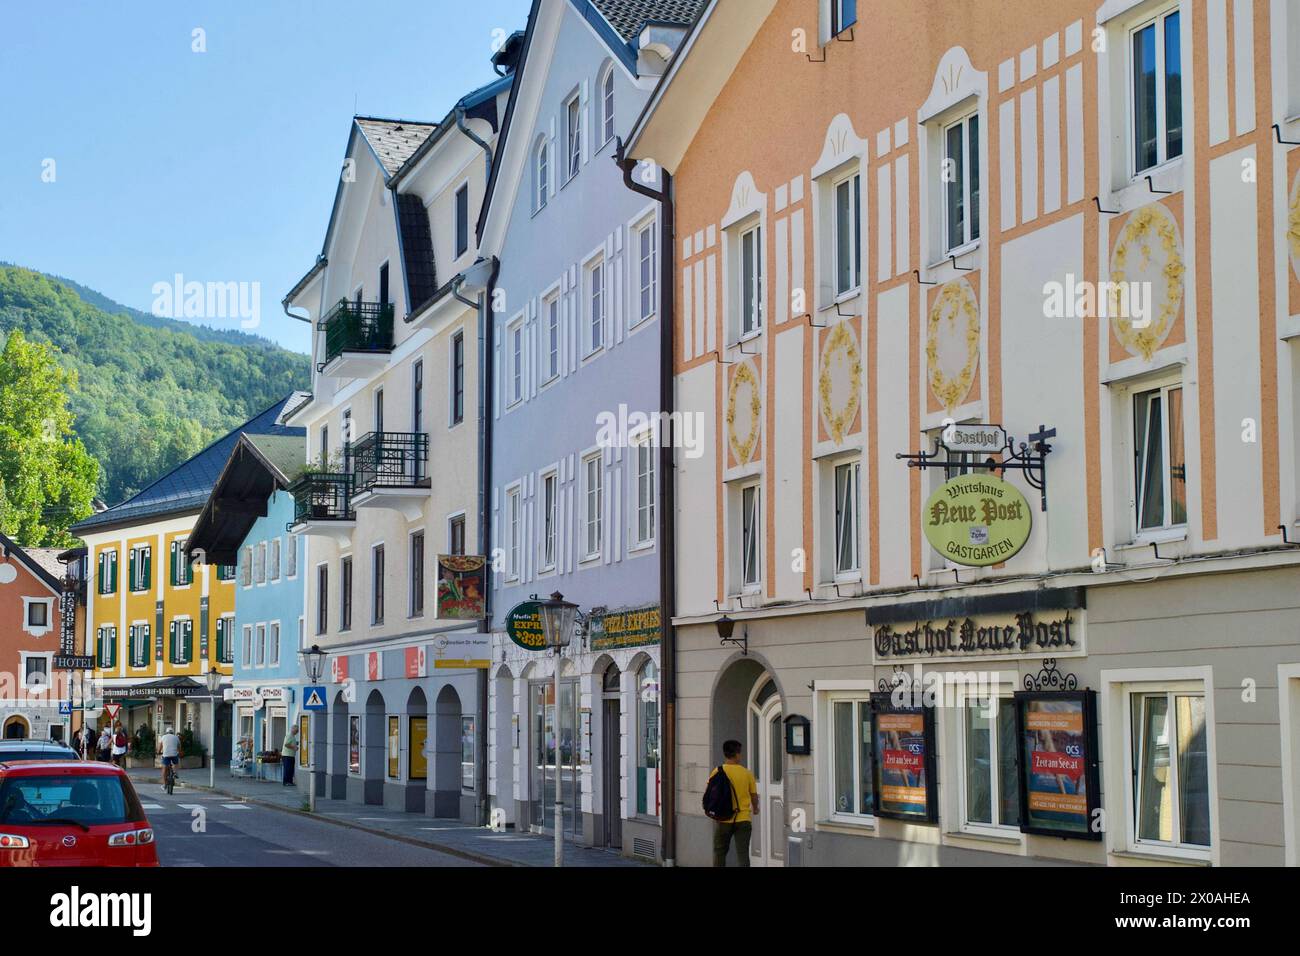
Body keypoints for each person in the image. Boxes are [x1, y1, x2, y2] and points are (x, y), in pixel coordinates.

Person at [708, 739, 759, 867]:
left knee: (720, 852)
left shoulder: (717, 771)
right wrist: (755, 808)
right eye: (739, 752)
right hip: (743, 819)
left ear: (725, 754)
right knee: (743, 854)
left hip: (723, 818)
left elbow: (710, 794)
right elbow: (753, 795)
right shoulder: (747, 773)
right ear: (736, 754)